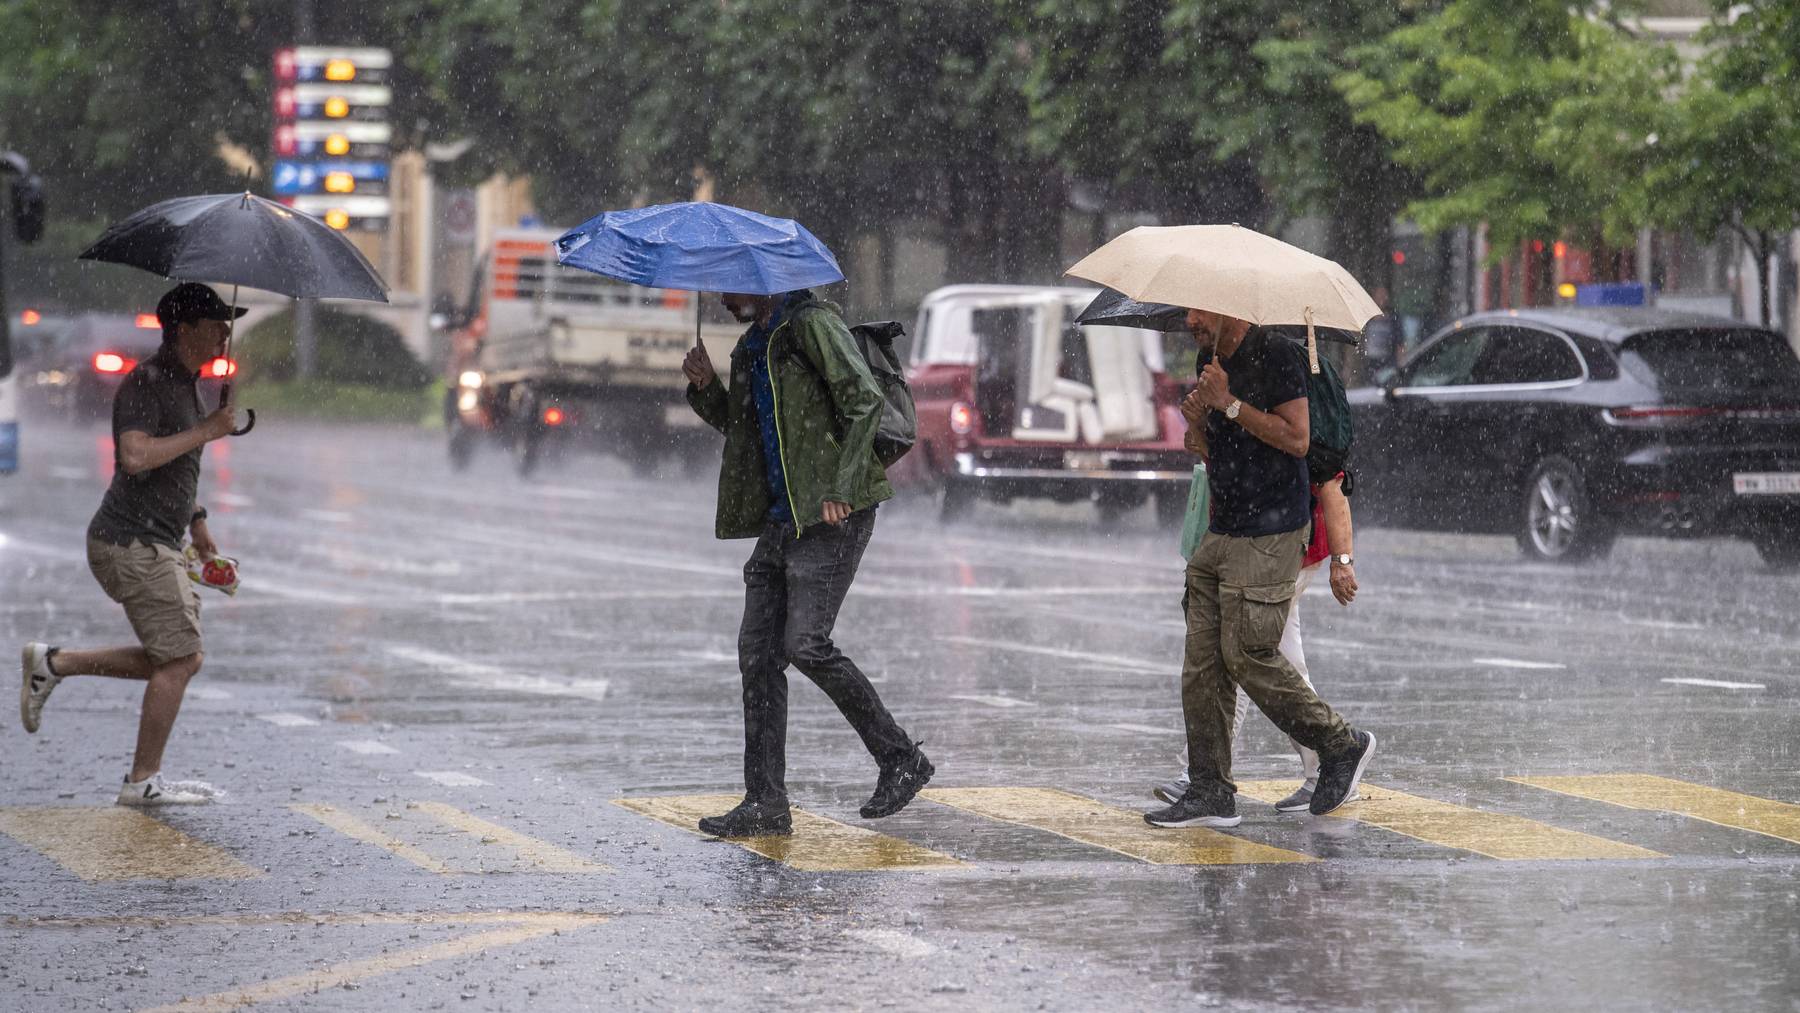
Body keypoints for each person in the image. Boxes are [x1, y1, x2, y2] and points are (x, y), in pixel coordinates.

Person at [681, 288, 932, 838]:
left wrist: (842, 485)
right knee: (758, 655)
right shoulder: (752, 345)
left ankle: (900, 759)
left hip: (834, 512)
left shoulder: (813, 325)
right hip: (782, 518)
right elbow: (743, 429)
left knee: (805, 644)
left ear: (764, 283)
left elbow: (865, 401)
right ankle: (765, 803)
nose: (724, 298)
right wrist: (706, 391)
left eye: (733, 287)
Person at [1145, 308, 1377, 828]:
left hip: (1271, 530)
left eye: (1196, 311)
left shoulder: (1278, 356)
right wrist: (1199, 423)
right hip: (1221, 528)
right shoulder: (1210, 357)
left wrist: (1228, 402)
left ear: (1226, 308)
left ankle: (1341, 745)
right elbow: (1213, 450)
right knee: (1202, 664)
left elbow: (1296, 439)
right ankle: (1210, 791)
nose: (1188, 321)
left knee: (1248, 653)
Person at [19, 283, 242, 805]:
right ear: (185, 331)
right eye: (216, 325)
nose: (225, 335)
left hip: (156, 541)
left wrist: (198, 520)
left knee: (178, 657)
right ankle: (141, 783)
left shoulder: (187, 383)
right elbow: (137, 456)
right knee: (181, 658)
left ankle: (56, 663)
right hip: (128, 542)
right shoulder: (148, 380)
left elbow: (176, 467)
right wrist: (208, 430)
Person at [1153, 464, 1359, 812]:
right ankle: (1326, 762)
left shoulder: (1294, 417)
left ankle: (1205, 774)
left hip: (1279, 550)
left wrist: (1343, 560)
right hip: (1252, 546)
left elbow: (1331, 481)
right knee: (1268, 656)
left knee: (1246, 653)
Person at [1361, 286, 1402, 380]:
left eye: (1384, 295)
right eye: (1379, 295)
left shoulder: (1393, 317)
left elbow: (1399, 342)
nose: (1382, 298)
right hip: (1370, 362)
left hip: (1388, 361)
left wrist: (1399, 363)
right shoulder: (1367, 316)